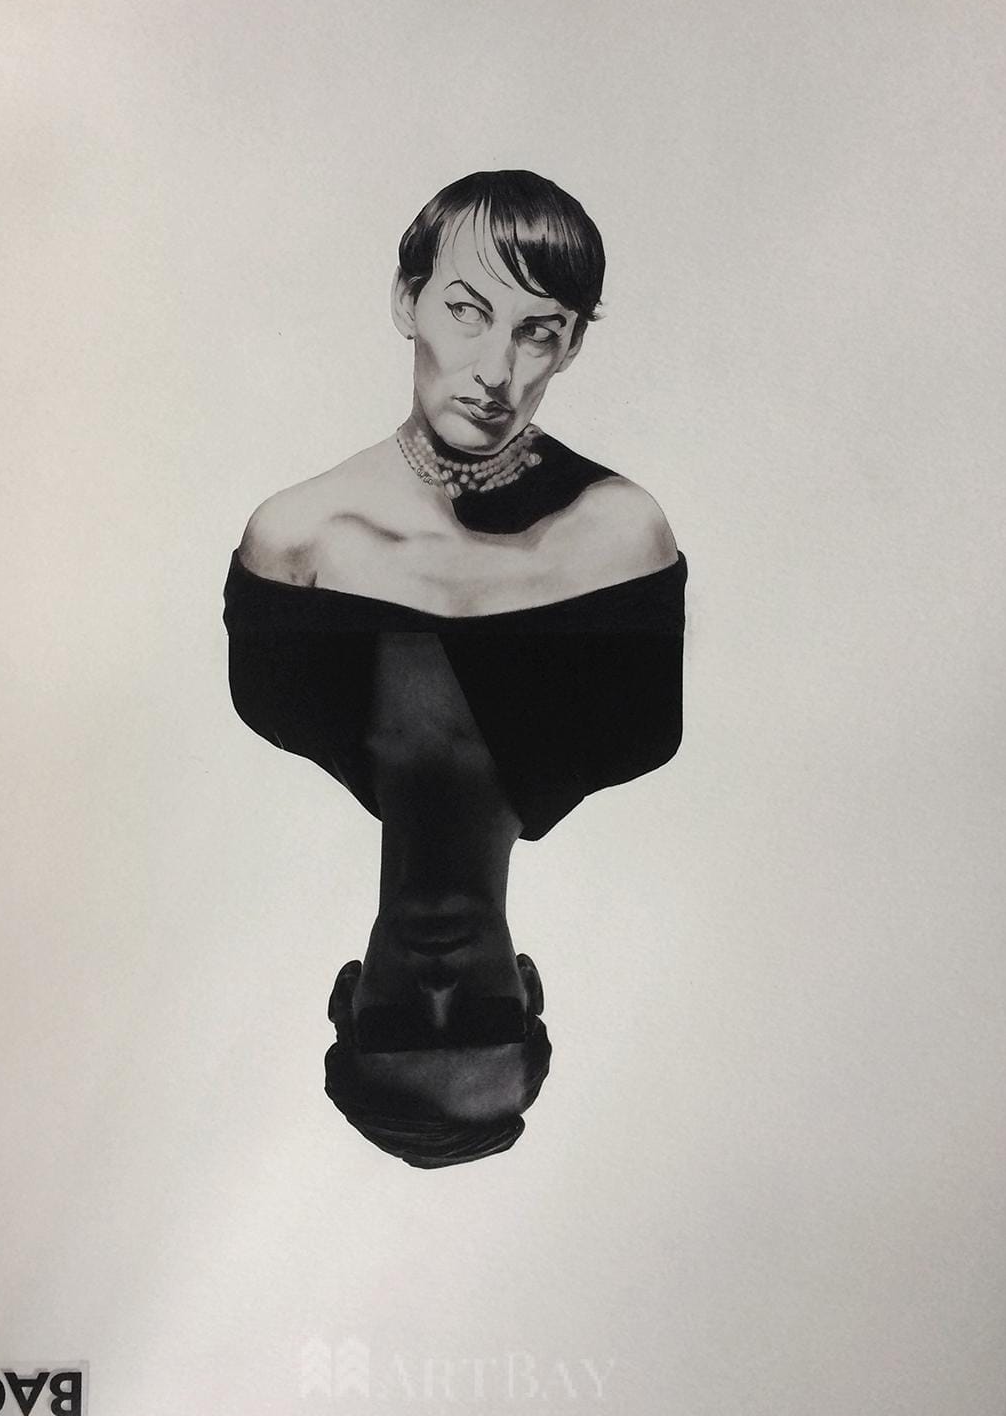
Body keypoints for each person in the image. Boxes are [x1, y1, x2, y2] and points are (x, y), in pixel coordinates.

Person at [223, 170, 686, 1166]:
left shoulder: (276, 666)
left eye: (401, 1023)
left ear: (350, 995)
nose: (438, 986)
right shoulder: (629, 705)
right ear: (408, 301)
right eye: (477, 1013)